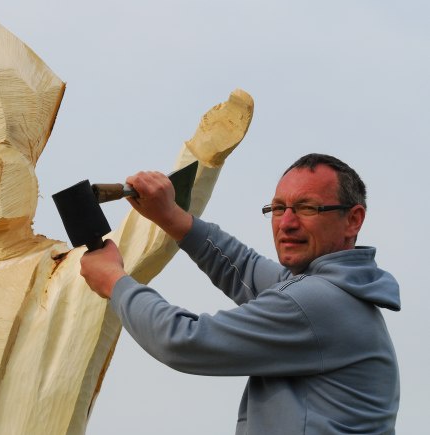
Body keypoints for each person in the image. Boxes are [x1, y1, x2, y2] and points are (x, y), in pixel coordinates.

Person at [80, 153, 400, 434]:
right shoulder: (335, 295)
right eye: (277, 208)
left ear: (353, 220)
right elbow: (244, 269)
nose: (286, 223)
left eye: (306, 208)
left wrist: (115, 282)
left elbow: (184, 340)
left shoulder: (318, 304)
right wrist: (171, 217)